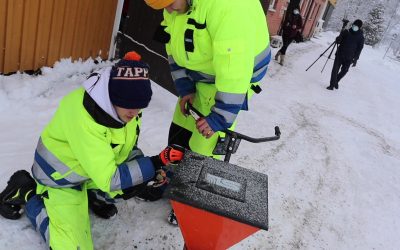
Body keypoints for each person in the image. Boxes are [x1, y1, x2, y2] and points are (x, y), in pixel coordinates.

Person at [0, 51, 184, 249]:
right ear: (112, 95)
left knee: (134, 178)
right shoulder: (86, 117)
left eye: (139, 106)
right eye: (128, 105)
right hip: (61, 178)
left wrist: (152, 170)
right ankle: (27, 193)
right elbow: (110, 178)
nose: (134, 112)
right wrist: (154, 163)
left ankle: (93, 195)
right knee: (72, 246)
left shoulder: (126, 107)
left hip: (90, 171)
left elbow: (124, 148)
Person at [145, 0, 271, 224]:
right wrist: (186, 89)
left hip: (233, 79)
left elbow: (235, 69)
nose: (169, 10)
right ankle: (172, 179)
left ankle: (190, 201)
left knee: (205, 146)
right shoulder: (173, 7)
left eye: (171, 3)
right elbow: (173, 48)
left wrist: (219, 117)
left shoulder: (228, 8)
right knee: (180, 129)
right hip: (202, 73)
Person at [327, 19, 364, 90]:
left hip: (350, 57)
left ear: (359, 27)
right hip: (340, 54)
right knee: (335, 70)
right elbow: (339, 41)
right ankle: (331, 85)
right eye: (354, 25)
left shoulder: (361, 37)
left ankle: (336, 80)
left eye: (356, 26)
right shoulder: (346, 32)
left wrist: (355, 59)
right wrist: (338, 39)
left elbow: (359, 49)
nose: (354, 27)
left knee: (345, 71)